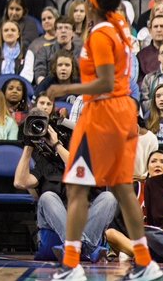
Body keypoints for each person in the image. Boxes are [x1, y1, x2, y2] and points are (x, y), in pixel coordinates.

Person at [42, 0, 163, 281]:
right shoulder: (118, 23)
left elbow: (106, 83)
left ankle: (70, 265)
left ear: (93, 5)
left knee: (77, 189)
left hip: (103, 113)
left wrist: (64, 88)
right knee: (122, 187)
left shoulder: (99, 34)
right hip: (122, 113)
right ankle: (145, 262)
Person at [14, 108, 116, 263]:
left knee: (109, 197)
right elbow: (20, 182)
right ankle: (84, 246)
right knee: (47, 196)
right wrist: (28, 147)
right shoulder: (47, 161)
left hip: (85, 217)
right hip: (55, 219)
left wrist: (57, 145)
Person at [35, 17, 84, 85]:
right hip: (50, 88)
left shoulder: (81, 52)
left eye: (67, 28)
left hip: (75, 89)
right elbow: (39, 73)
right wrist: (44, 87)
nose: (63, 31)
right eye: (60, 28)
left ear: (73, 33)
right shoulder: (44, 51)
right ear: (55, 33)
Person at [0, 20, 35, 84]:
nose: (9, 33)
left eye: (13, 30)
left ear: (18, 34)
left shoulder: (28, 54)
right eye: (6, 30)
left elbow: (27, 77)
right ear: (2, 34)